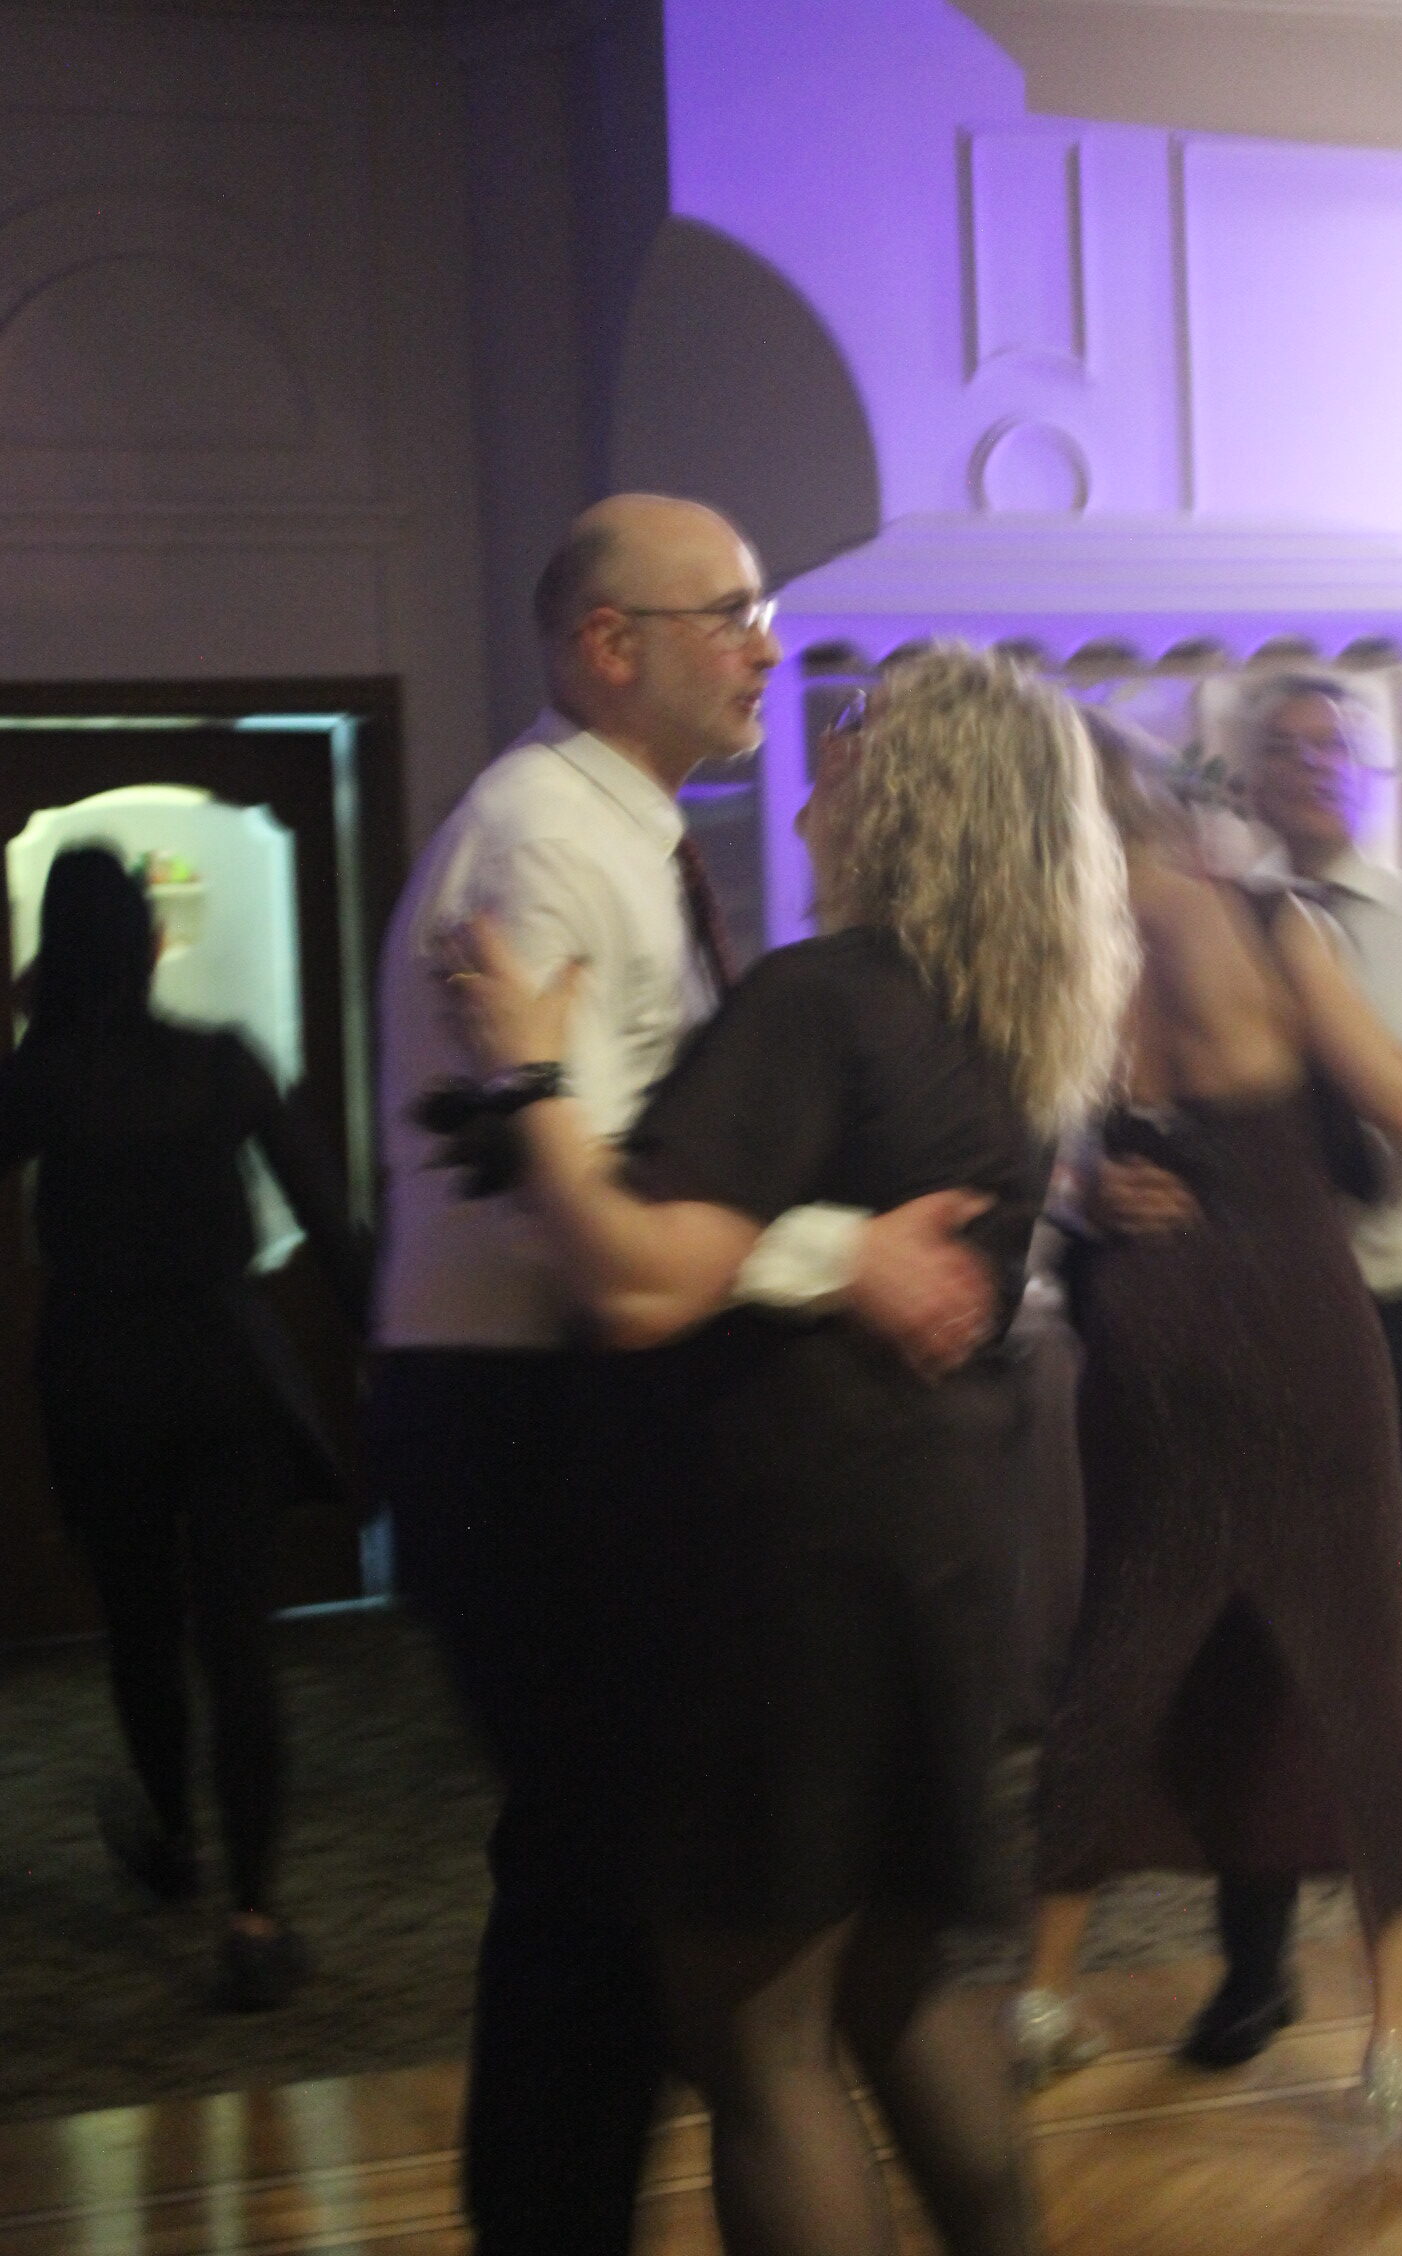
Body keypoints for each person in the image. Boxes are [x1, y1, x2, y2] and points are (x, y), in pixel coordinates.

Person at [441, 644, 1137, 2256]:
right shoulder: (1006, 1027)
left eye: (856, 742)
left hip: (792, 1557)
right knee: (901, 1985)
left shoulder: (825, 998)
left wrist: (525, 1074)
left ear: (916, 800)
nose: (821, 767)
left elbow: (638, 1278)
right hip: (946, 1536)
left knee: (754, 2034)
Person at [369, 495, 1002, 2256]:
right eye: (726, 613)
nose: (765, 647)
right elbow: (590, 1203)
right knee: (593, 1883)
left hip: (574, 1393)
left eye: (761, 609)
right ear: (606, 644)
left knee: (614, 1882)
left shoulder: (617, 835)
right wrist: (841, 1256)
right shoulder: (542, 845)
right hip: (519, 1402)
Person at [1014, 709, 1402, 2141]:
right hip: (1294, 1327)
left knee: (1121, 1652)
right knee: (1362, 1678)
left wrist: (1090, 1194)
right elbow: (1398, 1097)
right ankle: (1399, 2048)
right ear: (1166, 799)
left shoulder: (1069, 951)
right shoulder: (1270, 919)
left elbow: (1043, 1161)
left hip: (1149, 1335)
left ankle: (1037, 1997)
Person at [0, 845, 368, 2010]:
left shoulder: (39, 1078)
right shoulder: (220, 1063)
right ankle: (254, 1915)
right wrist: (388, 1349)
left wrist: (38, 1017)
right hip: (223, 1365)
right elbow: (328, 1220)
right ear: (151, 944)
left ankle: (171, 1840)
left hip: (100, 1372)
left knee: (140, 1624)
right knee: (237, 1641)